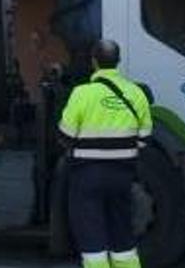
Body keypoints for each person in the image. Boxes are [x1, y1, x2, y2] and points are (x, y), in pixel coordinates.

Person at [59, 39, 153, 268]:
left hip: (87, 177)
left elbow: (66, 135)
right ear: (118, 61)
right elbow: (145, 137)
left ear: (94, 62)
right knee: (123, 237)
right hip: (122, 176)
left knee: (92, 237)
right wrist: (122, 152)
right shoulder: (136, 94)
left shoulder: (82, 94)